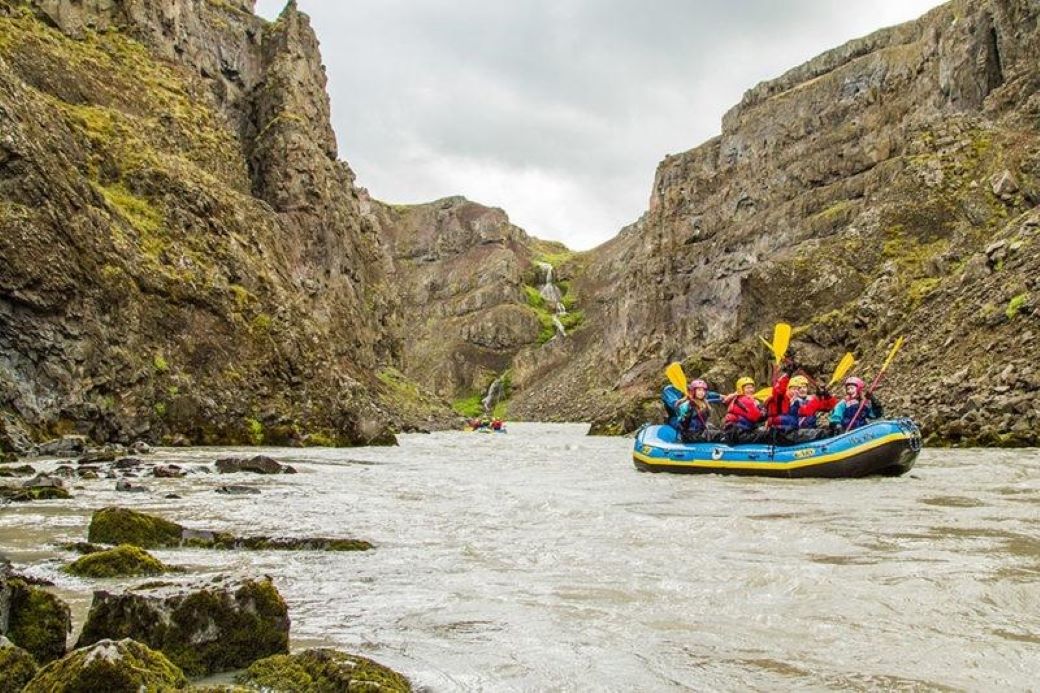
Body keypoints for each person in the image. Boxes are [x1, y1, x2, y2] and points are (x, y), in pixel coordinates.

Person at [723, 376, 765, 443]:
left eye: (752, 387)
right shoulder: (744, 400)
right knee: (766, 433)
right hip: (738, 434)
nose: (751, 390)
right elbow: (757, 418)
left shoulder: (739, 398)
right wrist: (763, 408)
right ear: (741, 389)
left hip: (737, 432)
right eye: (748, 388)